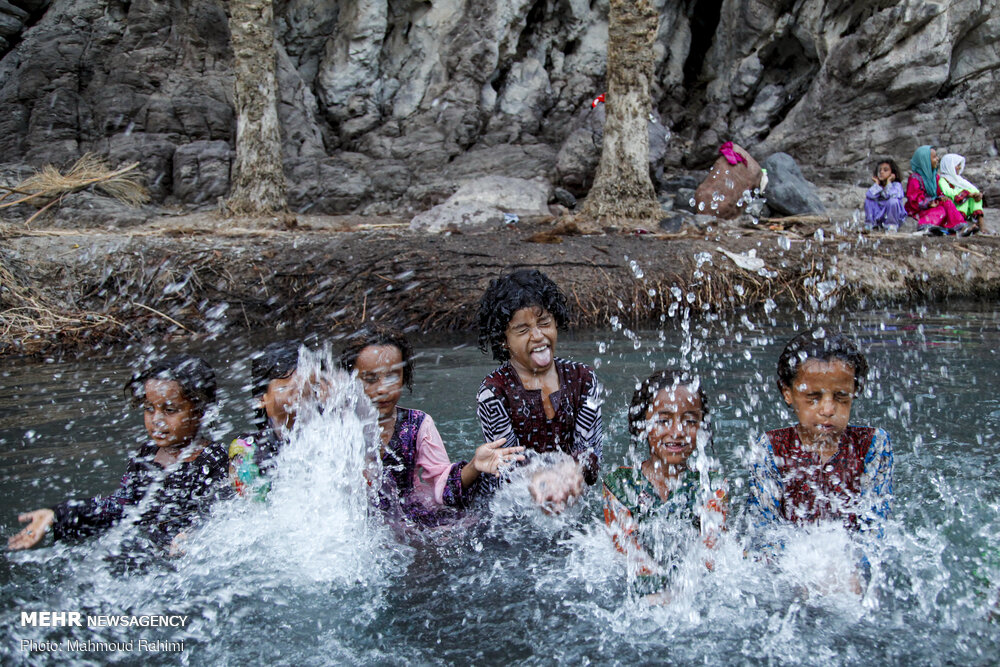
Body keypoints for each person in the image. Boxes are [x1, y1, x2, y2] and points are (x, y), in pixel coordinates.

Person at [8, 355, 229, 551]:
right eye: (149, 408)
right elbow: (120, 506)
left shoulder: (214, 459)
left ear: (202, 412)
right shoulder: (146, 455)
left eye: (170, 410)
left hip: (186, 557)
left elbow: (223, 513)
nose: (157, 420)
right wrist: (58, 515)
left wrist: (196, 534)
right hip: (144, 551)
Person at [340, 326, 524, 526]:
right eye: (370, 379)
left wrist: (474, 466)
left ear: (405, 376)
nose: (383, 388)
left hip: (405, 524)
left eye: (392, 376)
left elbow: (441, 485)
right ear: (351, 380)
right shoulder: (332, 427)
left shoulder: (418, 423)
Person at [476, 269, 603, 513]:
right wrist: (542, 481)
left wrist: (572, 470)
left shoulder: (584, 379)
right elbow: (507, 471)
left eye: (544, 323)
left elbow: (590, 455)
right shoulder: (494, 392)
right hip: (511, 510)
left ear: (556, 323)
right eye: (522, 330)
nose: (538, 336)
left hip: (570, 496)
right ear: (503, 339)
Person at [747, 329, 893, 537]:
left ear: (856, 390)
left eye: (841, 397)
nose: (828, 410)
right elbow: (763, 528)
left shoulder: (872, 444)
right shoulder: (771, 447)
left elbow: (875, 527)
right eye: (813, 397)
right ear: (787, 392)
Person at [603, 370, 726, 599]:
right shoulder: (620, 485)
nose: (677, 432)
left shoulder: (712, 486)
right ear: (641, 426)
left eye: (690, 421)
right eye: (663, 420)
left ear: (702, 428)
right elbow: (629, 554)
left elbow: (710, 556)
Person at [229, 340, 313, 499]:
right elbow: (251, 509)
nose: (300, 394)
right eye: (286, 387)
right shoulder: (246, 450)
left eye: (306, 386)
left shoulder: (332, 439)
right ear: (261, 399)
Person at [904, 145, 968, 234]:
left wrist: (941, 198)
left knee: (948, 203)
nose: (937, 159)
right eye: (934, 157)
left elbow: (939, 193)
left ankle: (959, 227)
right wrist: (929, 203)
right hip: (919, 209)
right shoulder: (915, 178)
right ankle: (927, 227)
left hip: (933, 205)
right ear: (924, 160)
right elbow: (914, 199)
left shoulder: (935, 177)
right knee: (941, 211)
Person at [938, 153, 985, 233]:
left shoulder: (959, 180)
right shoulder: (942, 180)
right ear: (949, 166)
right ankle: (961, 224)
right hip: (951, 205)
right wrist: (967, 194)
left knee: (972, 194)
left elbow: (972, 189)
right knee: (967, 196)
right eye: (957, 165)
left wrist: (977, 194)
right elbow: (949, 193)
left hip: (961, 203)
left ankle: (981, 222)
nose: (959, 167)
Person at [864, 158, 906, 230]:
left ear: (893, 173)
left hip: (892, 216)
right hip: (880, 215)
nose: (881, 172)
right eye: (879, 170)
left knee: (893, 201)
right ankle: (871, 224)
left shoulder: (896, 185)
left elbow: (891, 195)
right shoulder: (878, 186)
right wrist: (877, 184)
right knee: (869, 201)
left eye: (885, 170)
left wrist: (888, 182)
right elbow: (869, 195)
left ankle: (891, 225)